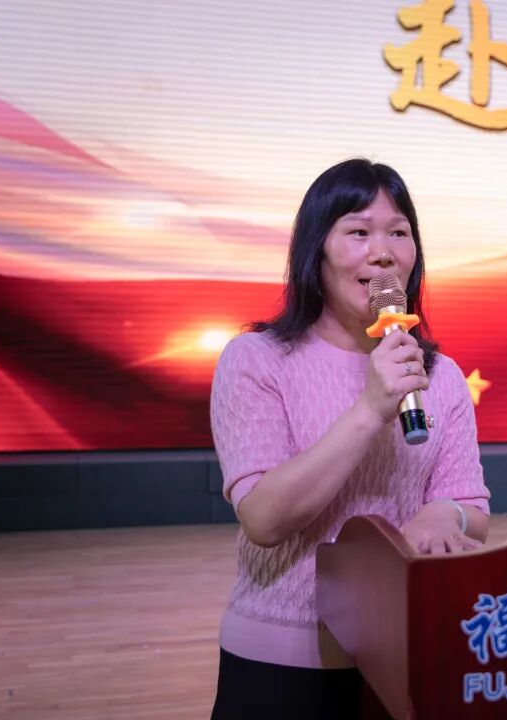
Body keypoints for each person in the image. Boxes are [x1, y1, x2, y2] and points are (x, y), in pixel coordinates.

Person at [208, 158, 491, 718]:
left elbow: (472, 508)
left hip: (403, 657)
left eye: (399, 233)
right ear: (316, 250)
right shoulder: (256, 361)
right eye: (359, 232)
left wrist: (446, 516)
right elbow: (263, 519)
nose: (382, 253)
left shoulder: (440, 375)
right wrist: (369, 409)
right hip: (281, 663)